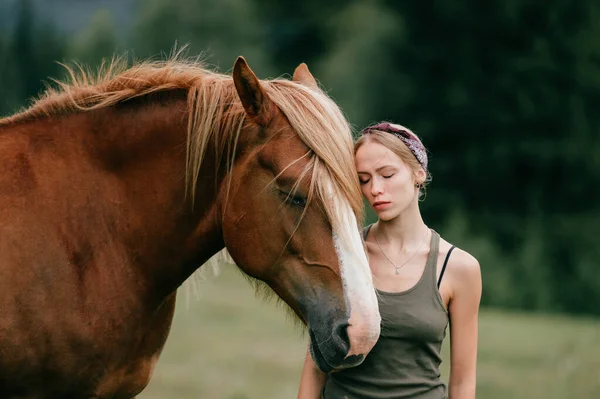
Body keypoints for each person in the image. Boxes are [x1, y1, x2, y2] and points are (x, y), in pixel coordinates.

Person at [297, 122, 482, 399]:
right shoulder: (342, 254)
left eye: (387, 174)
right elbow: (315, 369)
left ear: (418, 174)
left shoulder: (458, 268)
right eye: (364, 179)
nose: (375, 189)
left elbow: (463, 383)